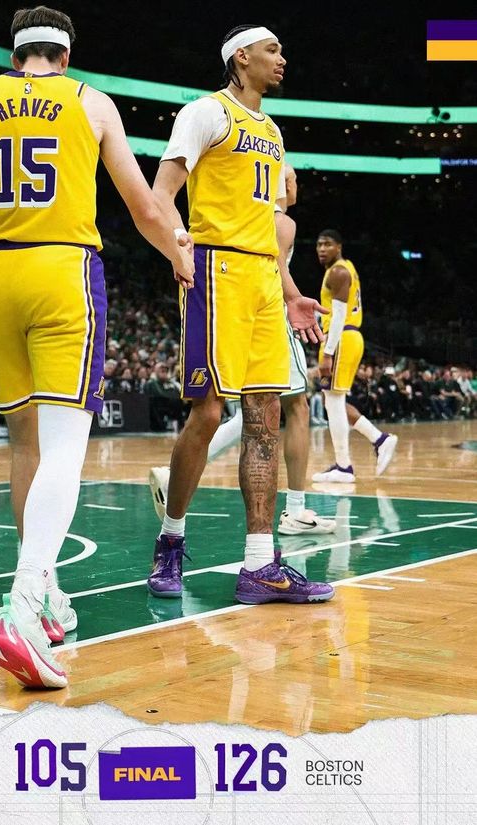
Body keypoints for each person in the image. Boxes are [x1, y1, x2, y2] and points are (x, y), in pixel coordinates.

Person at [0, 6, 194, 689]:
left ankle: (47, 594)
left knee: (26, 444)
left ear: (16, 56)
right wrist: (178, 251)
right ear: (65, 57)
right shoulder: (91, 101)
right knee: (66, 445)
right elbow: (143, 205)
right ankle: (22, 607)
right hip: (63, 270)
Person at [145, 25, 334, 606]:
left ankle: (259, 565)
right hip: (215, 270)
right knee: (207, 414)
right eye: (273, 49)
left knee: (265, 418)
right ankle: (170, 539)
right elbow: (160, 194)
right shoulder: (206, 113)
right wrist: (179, 247)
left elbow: (267, 227)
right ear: (241, 56)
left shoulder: (272, 131)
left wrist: (290, 290)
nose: (282, 58)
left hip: (261, 280)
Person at [149, 165, 336, 535]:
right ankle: (295, 509)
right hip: (269, 314)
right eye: (293, 179)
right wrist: (294, 298)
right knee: (293, 407)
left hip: (238, 306)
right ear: (282, 183)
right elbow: (276, 269)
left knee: (246, 412)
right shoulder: (282, 222)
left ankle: (175, 476)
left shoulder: (251, 215)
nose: (296, 186)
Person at [312, 230, 398, 482]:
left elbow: (339, 315)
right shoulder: (346, 268)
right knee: (332, 400)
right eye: (319, 244)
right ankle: (377, 441)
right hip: (345, 337)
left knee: (333, 401)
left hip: (341, 338)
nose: (322, 249)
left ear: (339, 247)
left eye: (327, 244)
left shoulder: (338, 272)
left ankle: (345, 465)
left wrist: (328, 353)